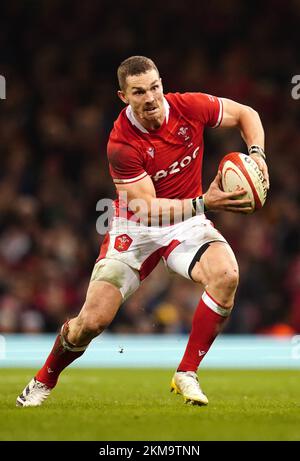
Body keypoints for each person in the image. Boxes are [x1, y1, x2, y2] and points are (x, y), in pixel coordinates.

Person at [16, 56, 269, 407]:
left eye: (154, 87)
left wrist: (257, 155)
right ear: (124, 96)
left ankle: (187, 373)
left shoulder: (189, 107)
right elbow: (146, 209)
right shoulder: (122, 143)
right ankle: (43, 380)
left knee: (226, 275)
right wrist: (205, 203)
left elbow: (247, 114)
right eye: (139, 92)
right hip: (136, 228)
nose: (150, 98)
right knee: (91, 322)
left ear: (161, 83)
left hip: (187, 221)